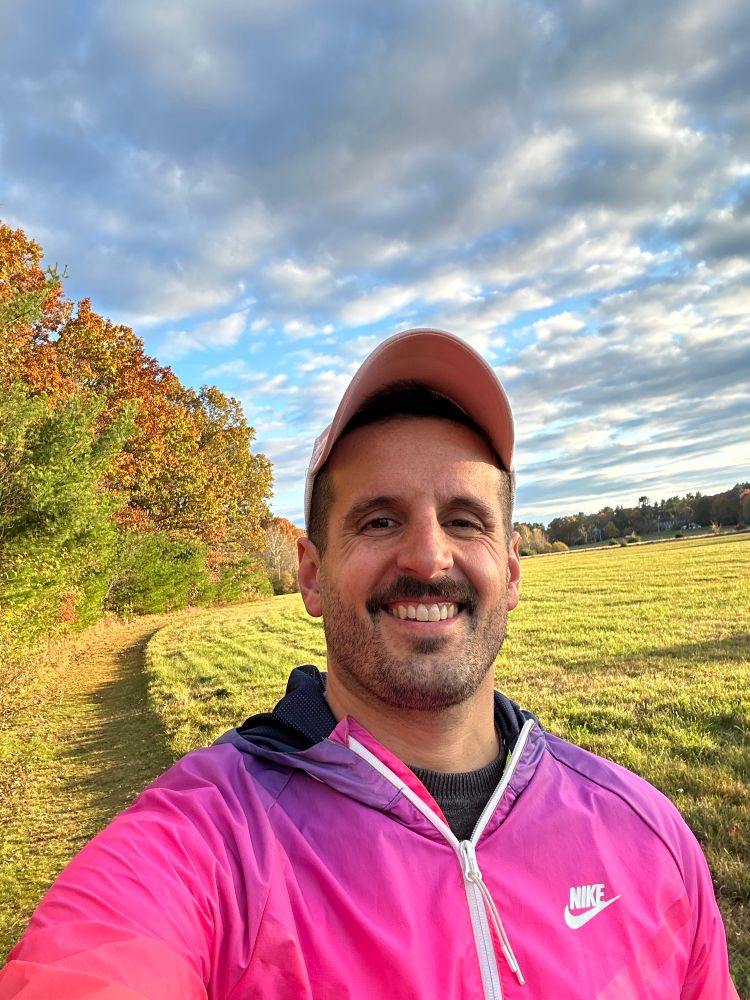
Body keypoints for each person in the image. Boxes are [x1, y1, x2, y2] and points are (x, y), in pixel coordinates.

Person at [0, 328, 737, 998]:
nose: (426, 556)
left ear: (510, 570)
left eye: (464, 520)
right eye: (380, 520)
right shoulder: (209, 841)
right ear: (313, 576)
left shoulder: (646, 835)